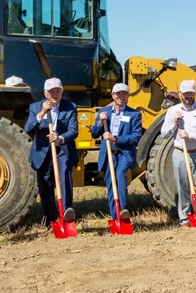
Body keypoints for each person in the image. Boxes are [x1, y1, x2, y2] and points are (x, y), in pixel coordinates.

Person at [25, 78, 79, 226]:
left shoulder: (70, 107)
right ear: (45, 93)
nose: (55, 94)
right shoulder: (35, 107)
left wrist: (60, 137)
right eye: (51, 92)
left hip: (62, 150)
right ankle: (50, 220)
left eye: (57, 91)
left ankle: (66, 215)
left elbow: (73, 131)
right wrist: (42, 112)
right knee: (45, 185)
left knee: (64, 180)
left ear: (62, 92)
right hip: (43, 151)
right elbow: (28, 129)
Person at [161, 80, 196, 225]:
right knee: (182, 185)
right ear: (180, 94)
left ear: (195, 93)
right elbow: (164, 134)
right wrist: (174, 123)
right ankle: (184, 218)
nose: (188, 96)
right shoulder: (173, 111)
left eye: (191, 93)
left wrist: (190, 136)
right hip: (180, 152)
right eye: (185, 93)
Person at [92, 83, 143, 221]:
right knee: (110, 182)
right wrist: (100, 123)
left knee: (120, 175)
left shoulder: (134, 114)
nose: (121, 96)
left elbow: (136, 137)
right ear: (113, 95)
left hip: (125, 153)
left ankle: (123, 211)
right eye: (118, 94)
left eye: (124, 94)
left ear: (128, 96)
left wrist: (115, 138)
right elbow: (94, 134)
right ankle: (115, 218)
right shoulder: (104, 112)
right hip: (109, 153)